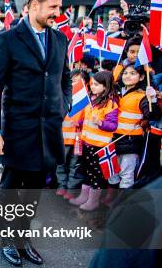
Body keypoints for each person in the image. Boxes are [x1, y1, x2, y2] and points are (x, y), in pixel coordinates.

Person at [0, 0, 72, 266]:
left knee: (35, 188)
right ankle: (6, 239)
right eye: (53, 7)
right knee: (12, 187)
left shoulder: (60, 40)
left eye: (59, 8)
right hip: (18, 130)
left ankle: (23, 237)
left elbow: (65, 79)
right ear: (35, 5)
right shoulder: (8, 40)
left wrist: (64, 106)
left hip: (48, 131)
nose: (57, 13)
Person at [69, 71, 118, 211]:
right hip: (86, 143)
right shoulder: (91, 99)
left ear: (106, 86)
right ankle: (84, 197)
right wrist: (79, 122)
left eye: (96, 84)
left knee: (96, 175)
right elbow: (86, 118)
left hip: (99, 147)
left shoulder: (111, 104)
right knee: (86, 171)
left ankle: (93, 200)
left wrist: (101, 123)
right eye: (92, 84)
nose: (92, 87)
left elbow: (113, 125)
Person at [108, 65, 159, 189]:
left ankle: (124, 204)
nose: (127, 76)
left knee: (127, 175)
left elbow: (153, 115)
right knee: (112, 173)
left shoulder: (141, 96)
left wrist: (152, 100)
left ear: (141, 77)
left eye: (132, 73)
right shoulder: (116, 93)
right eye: (125, 73)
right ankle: (112, 201)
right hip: (113, 140)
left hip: (131, 142)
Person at [56, 69, 88, 199]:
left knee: (75, 165)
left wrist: (81, 122)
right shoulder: (61, 96)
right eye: (72, 81)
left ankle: (71, 188)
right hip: (62, 138)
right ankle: (62, 186)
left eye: (78, 81)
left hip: (78, 140)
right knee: (60, 164)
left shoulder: (88, 100)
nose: (74, 84)